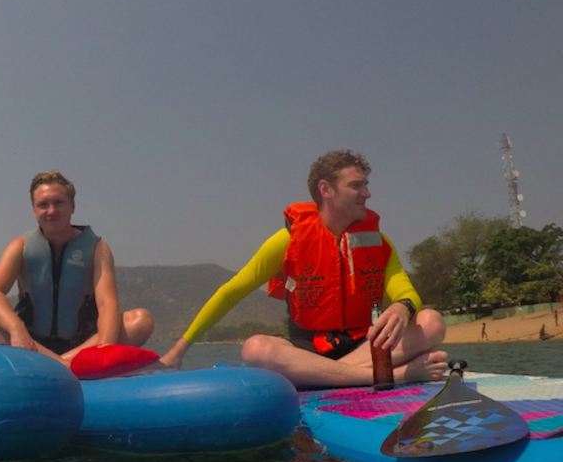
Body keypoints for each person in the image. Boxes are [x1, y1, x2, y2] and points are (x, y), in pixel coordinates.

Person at [161, 149, 448, 389]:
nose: (367, 193)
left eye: (366, 185)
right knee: (255, 348)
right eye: (356, 186)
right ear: (326, 190)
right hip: (308, 350)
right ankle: (392, 376)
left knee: (431, 321)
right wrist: (179, 349)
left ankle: (327, 377)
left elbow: (406, 293)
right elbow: (232, 291)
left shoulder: (378, 242)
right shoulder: (287, 241)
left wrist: (402, 308)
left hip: (364, 347)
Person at [0, 170, 154, 364]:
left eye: (58, 203)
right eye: (43, 205)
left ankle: (56, 362)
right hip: (31, 342)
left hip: (83, 344)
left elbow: (107, 304)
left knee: (141, 320)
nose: (51, 211)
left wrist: (104, 349)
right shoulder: (19, 246)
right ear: (34, 210)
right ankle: (63, 365)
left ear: (72, 206)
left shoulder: (97, 249)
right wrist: (16, 329)